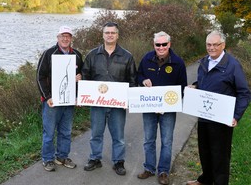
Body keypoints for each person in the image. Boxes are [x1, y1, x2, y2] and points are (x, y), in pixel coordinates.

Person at [186, 31, 250, 185]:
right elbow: (204, 82)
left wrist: (236, 116)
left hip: (222, 120)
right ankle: (206, 180)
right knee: (205, 151)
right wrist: (195, 86)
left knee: (220, 156)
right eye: (209, 44)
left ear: (223, 45)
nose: (212, 48)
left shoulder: (232, 65)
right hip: (204, 116)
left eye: (215, 44)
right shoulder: (203, 62)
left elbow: (244, 93)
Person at [82, 22, 137, 176]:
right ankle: (95, 159)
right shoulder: (92, 55)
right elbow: (85, 76)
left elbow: (133, 80)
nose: (110, 35)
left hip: (117, 104)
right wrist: (84, 96)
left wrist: (129, 100)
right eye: (107, 32)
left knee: (118, 136)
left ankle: (118, 162)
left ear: (117, 35)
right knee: (96, 134)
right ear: (103, 34)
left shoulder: (127, 56)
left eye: (113, 32)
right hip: (97, 103)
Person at [137, 31, 187, 185]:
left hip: (168, 110)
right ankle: (149, 168)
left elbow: (182, 87)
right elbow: (137, 76)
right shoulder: (146, 58)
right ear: (154, 45)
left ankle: (163, 171)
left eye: (164, 44)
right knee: (148, 139)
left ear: (169, 44)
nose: (161, 47)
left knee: (166, 141)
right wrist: (143, 80)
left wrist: (169, 104)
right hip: (149, 107)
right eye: (158, 44)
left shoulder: (178, 62)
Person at [36, 26, 83, 172]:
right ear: (58, 37)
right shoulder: (48, 54)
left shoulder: (77, 55)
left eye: (68, 36)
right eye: (62, 36)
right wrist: (47, 97)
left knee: (66, 131)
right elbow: (40, 77)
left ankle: (62, 156)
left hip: (69, 101)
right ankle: (48, 159)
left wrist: (80, 80)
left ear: (71, 39)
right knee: (49, 132)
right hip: (52, 102)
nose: (65, 38)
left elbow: (83, 75)